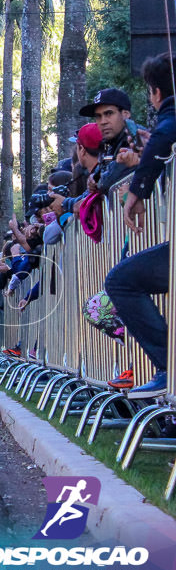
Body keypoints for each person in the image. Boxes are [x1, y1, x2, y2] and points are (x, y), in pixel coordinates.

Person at [104, 52, 176, 395]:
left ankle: (170, 369)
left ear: (156, 94)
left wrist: (137, 190)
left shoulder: (171, 112)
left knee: (120, 281)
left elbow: (165, 136)